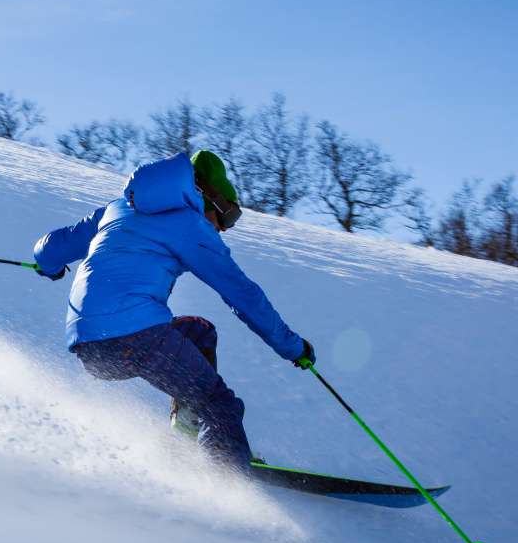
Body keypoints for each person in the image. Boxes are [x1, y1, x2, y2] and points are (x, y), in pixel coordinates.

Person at [32, 150, 315, 472]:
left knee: (199, 331)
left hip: (89, 347)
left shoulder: (117, 208)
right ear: (210, 199)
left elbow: (51, 248)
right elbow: (242, 294)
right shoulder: (189, 226)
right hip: (136, 336)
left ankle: (187, 434)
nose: (223, 229)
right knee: (219, 404)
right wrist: (292, 347)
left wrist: (49, 267)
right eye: (228, 217)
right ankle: (227, 478)